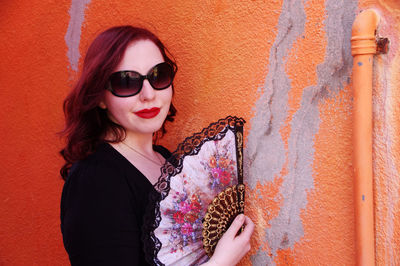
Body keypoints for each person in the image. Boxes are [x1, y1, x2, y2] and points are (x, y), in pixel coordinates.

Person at [60, 25, 254, 266]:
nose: (148, 94)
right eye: (126, 82)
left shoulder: (165, 159)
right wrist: (221, 262)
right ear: (99, 96)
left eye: (158, 75)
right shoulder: (95, 180)